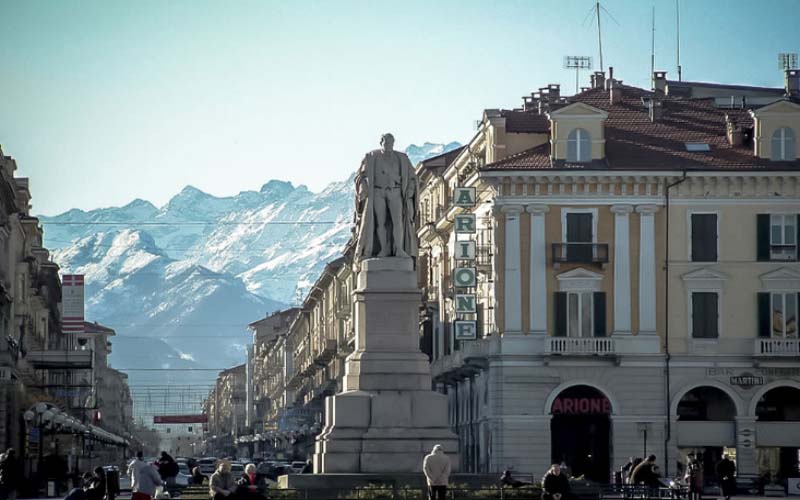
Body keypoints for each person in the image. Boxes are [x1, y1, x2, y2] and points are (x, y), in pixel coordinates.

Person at [354, 133, 418, 260]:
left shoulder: (402, 158)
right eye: (386, 143)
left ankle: (399, 249)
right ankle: (383, 249)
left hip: (395, 191)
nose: (389, 145)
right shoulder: (371, 157)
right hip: (378, 192)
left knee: (398, 221)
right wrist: (363, 187)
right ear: (381, 143)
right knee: (380, 221)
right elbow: (360, 176)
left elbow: (412, 177)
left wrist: (410, 190)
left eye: (391, 143)